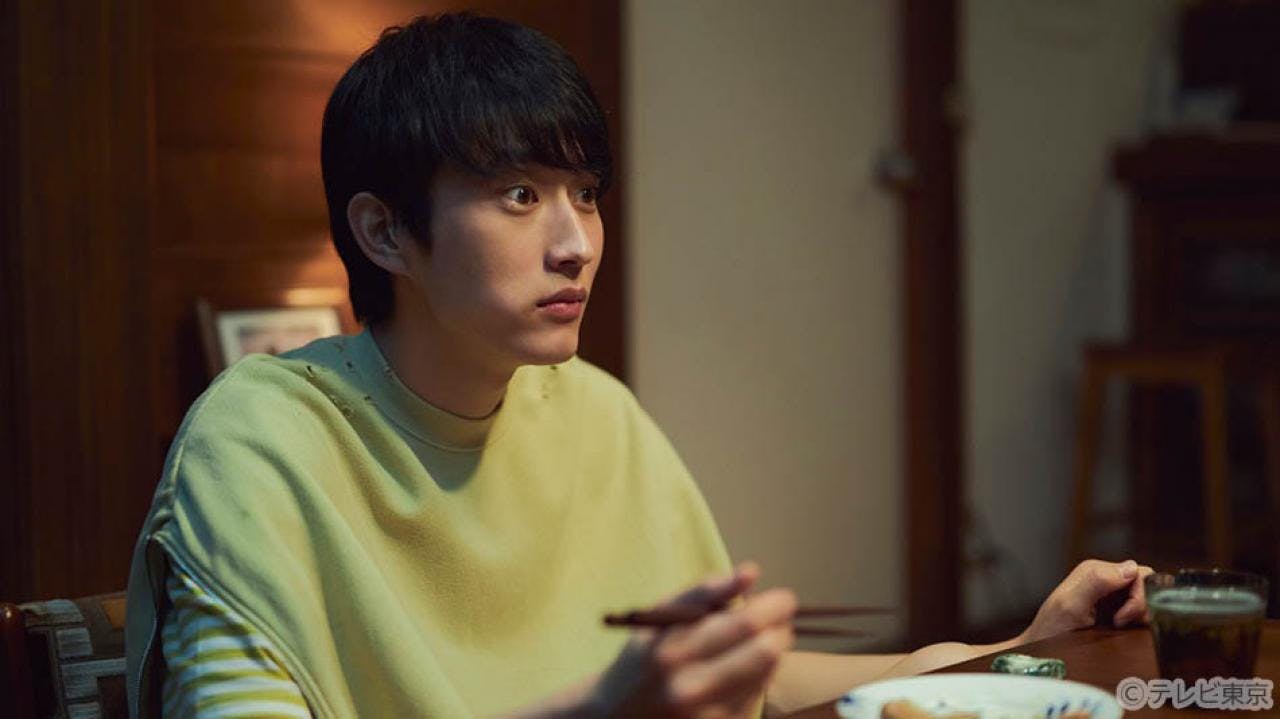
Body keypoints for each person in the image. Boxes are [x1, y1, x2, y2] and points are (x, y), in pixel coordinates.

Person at [124, 12, 1154, 718]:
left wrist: (1012, 654)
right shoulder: (260, 444)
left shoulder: (594, 414)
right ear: (384, 231)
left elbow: (744, 685)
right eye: (519, 195)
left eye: (584, 193)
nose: (576, 242)